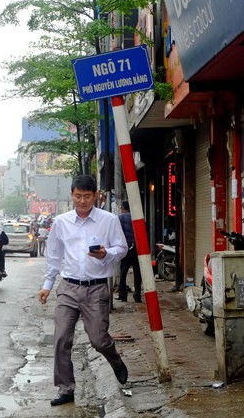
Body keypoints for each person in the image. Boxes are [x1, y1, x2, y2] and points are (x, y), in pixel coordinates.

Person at [37, 174, 129, 406]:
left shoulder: (109, 220)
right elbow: (54, 256)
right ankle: (66, 389)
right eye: (78, 196)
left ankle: (115, 361)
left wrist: (106, 254)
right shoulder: (61, 222)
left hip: (96, 289)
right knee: (60, 339)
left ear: (95, 196)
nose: (82, 201)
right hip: (68, 287)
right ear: (72, 195)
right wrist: (47, 286)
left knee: (99, 339)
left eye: (87, 196)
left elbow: (122, 248)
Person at [117, 200, 142, 303]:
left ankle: (122, 295)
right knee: (137, 272)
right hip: (137, 248)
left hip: (126, 247)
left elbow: (119, 233)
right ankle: (137, 296)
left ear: (123, 207)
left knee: (123, 272)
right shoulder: (138, 217)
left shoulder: (121, 217)